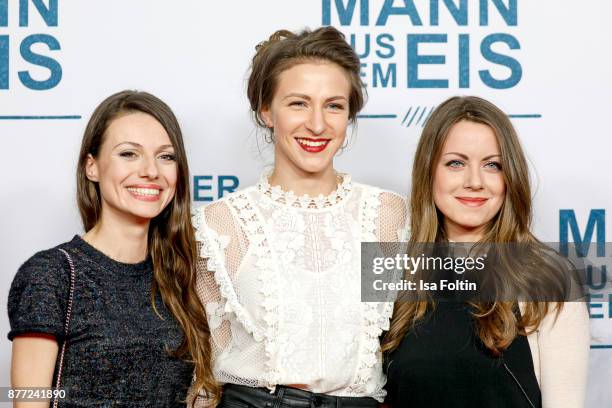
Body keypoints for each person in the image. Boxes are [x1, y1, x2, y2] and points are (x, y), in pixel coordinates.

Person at [192, 27, 409, 407]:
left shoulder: (388, 215)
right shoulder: (219, 224)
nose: (317, 124)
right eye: (298, 103)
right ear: (266, 111)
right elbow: (203, 368)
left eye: (334, 105)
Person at [8, 90, 218, 407]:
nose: (151, 170)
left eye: (166, 156)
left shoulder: (181, 275)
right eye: (129, 154)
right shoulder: (52, 274)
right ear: (92, 167)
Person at [382, 96, 590, 408]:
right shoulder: (391, 270)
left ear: (510, 178)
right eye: (456, 163)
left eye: (492, 165)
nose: (475, 181)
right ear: (429, 171)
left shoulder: (550, 279)